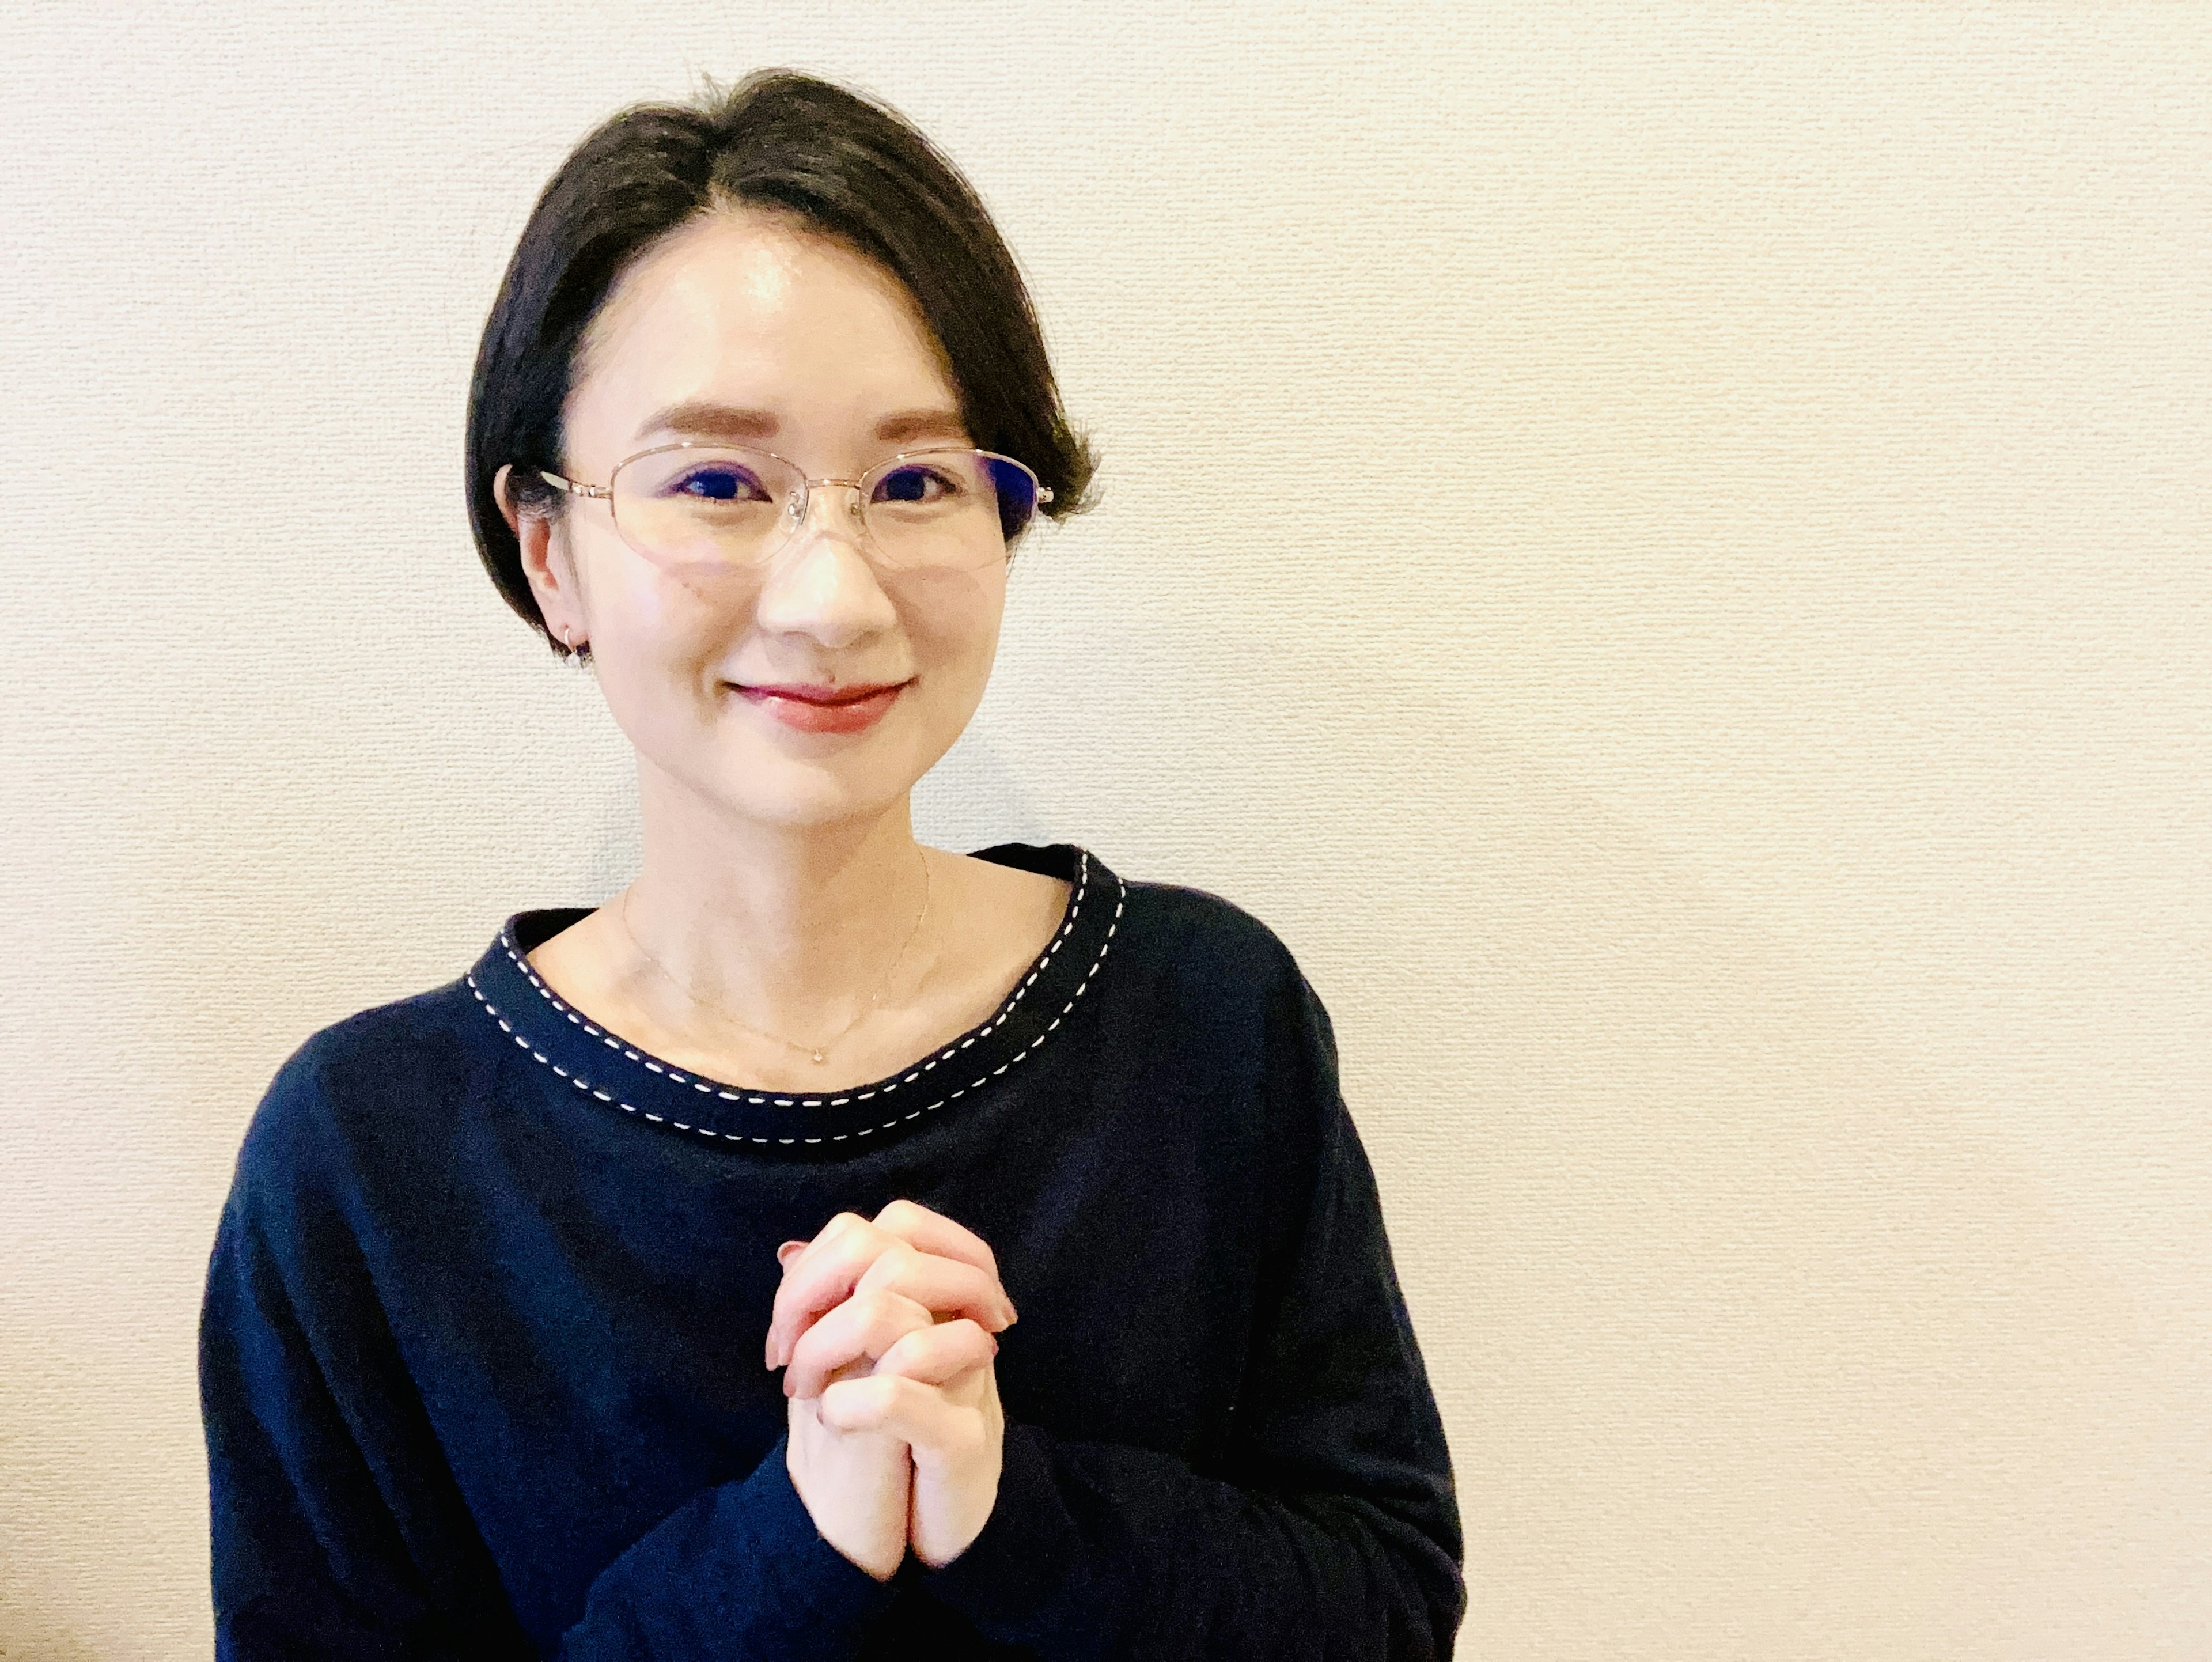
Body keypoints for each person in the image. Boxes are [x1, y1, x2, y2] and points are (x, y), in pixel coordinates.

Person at [198, 68, 1464, 1660]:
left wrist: (1013, 1505)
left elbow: (1388, 1612)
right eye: (717, 483)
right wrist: (792, 1542)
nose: (834, 596)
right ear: (548, 549)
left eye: (920, 482)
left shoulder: (1212, 1023)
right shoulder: (367, 1165)